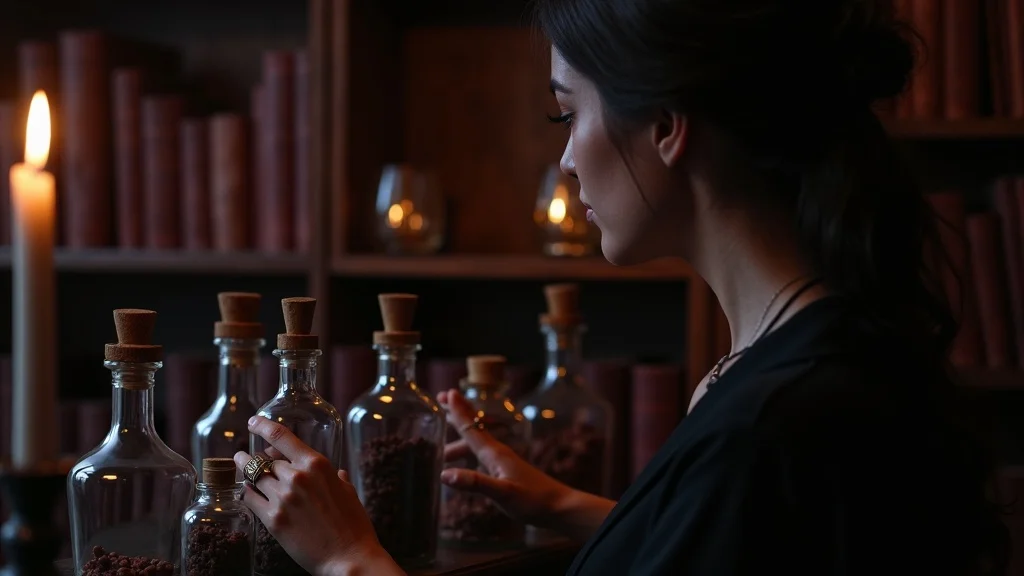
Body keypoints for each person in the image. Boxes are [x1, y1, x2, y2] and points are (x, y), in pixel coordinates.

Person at [234, 0, 1011, 573]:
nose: (568, 160)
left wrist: (347, 557)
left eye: (567, 112)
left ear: (669, 126)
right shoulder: (812, 356)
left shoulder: (772, 423)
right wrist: (566, 506)